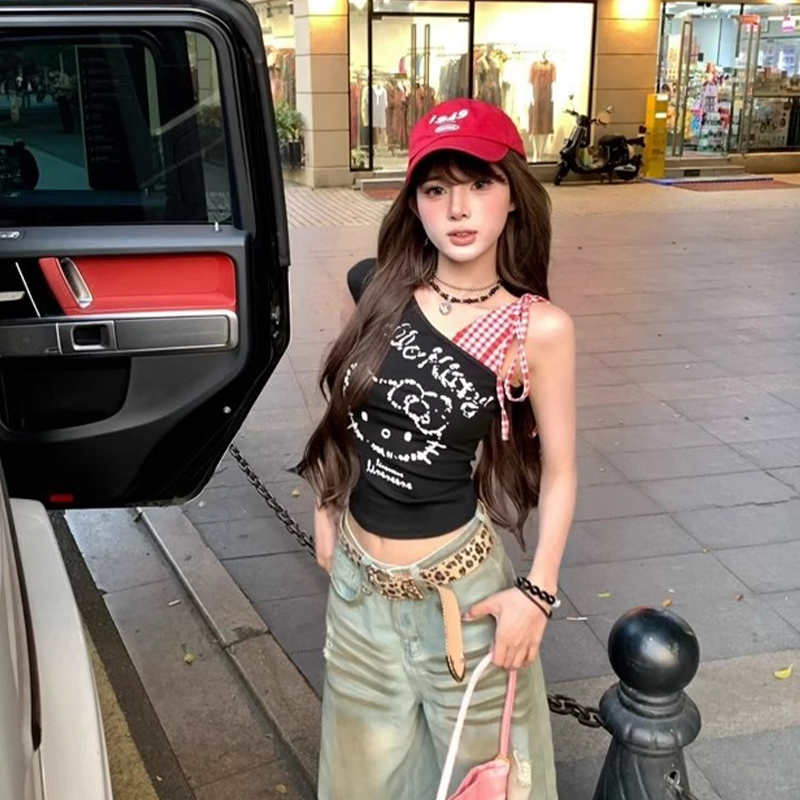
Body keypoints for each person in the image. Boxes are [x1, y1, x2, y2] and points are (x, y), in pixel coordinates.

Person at [296, 97, 577, 800]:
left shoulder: (533, 329)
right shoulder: (377, 288)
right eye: (435, 189)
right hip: (358, 595)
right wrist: (326, 504)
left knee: (483, 784)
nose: (457, 209)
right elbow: (348, 413)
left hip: (464, 606)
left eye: (479, 183)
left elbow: (562, 472)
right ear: (413, 204)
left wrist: (538, 594)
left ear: (513, 196)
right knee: (358, 784)